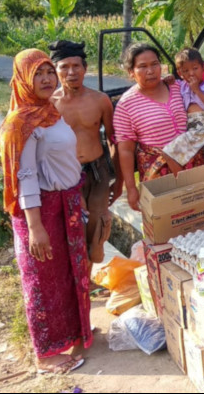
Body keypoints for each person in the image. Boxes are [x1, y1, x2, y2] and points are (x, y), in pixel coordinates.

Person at [0, 49, 91, 374]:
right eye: (38, 73)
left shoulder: (49, 112)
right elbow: (24, 176)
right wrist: (36, 227)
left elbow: (63, 161)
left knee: (69, 278)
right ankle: (45, 353)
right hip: (39, 211)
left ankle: (74, 333)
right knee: (42, 283)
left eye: (49, 72)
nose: (46, 79)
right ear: (23, 78)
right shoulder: (19, 123)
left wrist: (76, 199)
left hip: (65, 205)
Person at [49, 40, 122, 270]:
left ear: (85, 68)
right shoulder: (50, 105)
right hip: (67, 173)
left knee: (99, 224)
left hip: (97, 170)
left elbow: (113, 140)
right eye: (65, 67)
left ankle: (87, 277)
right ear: (56, 70)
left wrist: (119, 180)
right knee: (75, 228)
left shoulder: (100, 100)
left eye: (76, 66)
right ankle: (81, 284)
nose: (71, 72)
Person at [113, 43, 204, 211]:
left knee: (199, 219)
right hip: (158, 174)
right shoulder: (126, 104)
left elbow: (202, 110)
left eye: (154, 64)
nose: (150, 71)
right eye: (142, 67)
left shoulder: (178, 87)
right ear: (131, 72)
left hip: (193, 167)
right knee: (165, 224)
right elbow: (125, 150)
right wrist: (131, 189)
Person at [161, 47, 204, 175]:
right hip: (191, 126)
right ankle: (185, 176)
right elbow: (169, 84)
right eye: (186, 71)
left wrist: (197, 91)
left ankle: (182, 178)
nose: (191, 74)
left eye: (195, 68)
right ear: (180, 72)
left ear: (203, 67)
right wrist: (169, 78)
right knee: (185, 156)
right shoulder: (181, 85)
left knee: (169, 152)